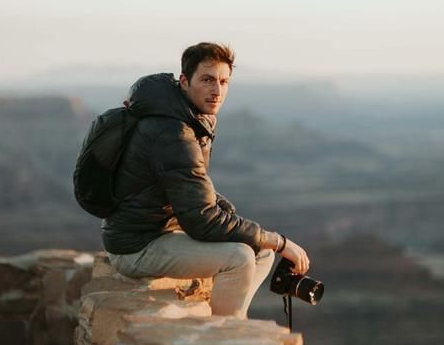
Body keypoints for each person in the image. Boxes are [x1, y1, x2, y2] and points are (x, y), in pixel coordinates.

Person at [103, 42, 311, 318]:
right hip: (134, 247)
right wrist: (281, 242)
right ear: (184, 81)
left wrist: (238, 222)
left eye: (224, 81)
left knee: (261, 253)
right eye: (207, 80)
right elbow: (201, 221)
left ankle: (229, 316)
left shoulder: (185, 116)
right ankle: (224, 335)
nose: (217, 90)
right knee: (239, 258)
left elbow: (187, 185)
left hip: (156, 232)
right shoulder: (172, 131)